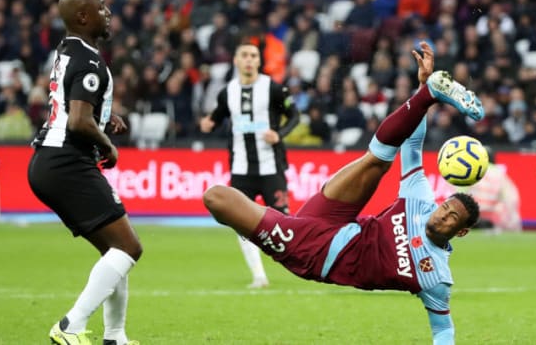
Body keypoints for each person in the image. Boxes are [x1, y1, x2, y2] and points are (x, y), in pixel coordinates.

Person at [203, 41, 484, 344]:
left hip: (314, 250)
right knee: (376, 161)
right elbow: (412, 147)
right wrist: (422, 93)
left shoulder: (436, 278)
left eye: (451, 217)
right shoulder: (421, 203)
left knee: (216, 197)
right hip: (337, 218)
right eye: (445, 207)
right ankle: (433, 92)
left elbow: (443, 328)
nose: (442, 215)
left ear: (461, 232)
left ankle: (263, 224)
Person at [27, 0, 142, 345]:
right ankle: (70, 326)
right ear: (82, 17)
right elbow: (78, 121)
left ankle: (115, 337)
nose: (108, 13)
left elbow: (74, 107)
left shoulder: (68, 51)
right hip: (67, 162)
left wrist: (105, 117)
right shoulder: (91, 61)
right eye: (102, 7)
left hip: (50, 159)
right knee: (129, 248)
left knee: (116, 250)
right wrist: (107, 143)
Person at [199, 42, 299, 288]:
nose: (249, 60)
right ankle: (259, 276)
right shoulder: (228, 92)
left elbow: (295, 115)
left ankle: (302, 264)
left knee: (283, 220)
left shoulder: (273, 89)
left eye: (253, 56)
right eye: (244, 55)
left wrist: (280, 133)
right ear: (236, 60)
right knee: (241, 222)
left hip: (270, 167)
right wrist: (208, 122)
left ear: (258, 61)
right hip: (241, 170)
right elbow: (217, 116)